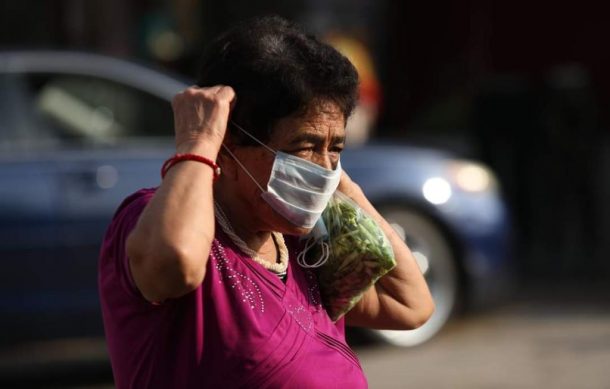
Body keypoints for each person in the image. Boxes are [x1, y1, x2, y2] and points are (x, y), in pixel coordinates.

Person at [99, 16, 434, 388]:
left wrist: (344, 187)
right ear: (228, 143)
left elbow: (411, 305)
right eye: (304, 148)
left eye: (335, 149)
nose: (323, 169)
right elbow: (174, 263)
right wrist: (197, 145)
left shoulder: (305, 247)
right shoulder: (152, 219)